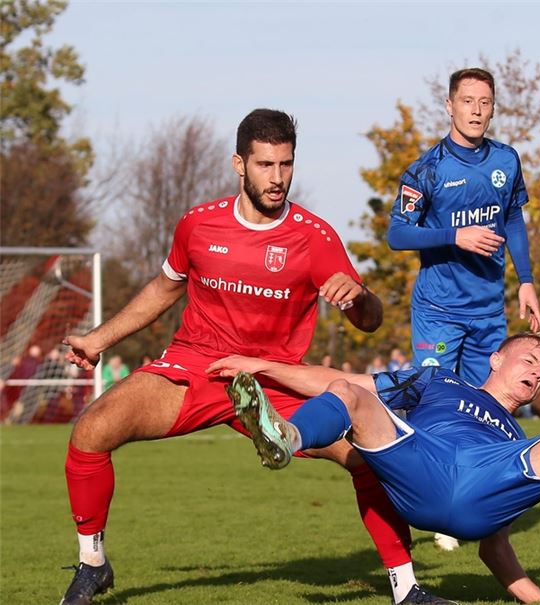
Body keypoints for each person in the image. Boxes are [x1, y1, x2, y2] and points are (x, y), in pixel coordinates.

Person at [60, 109, 449, 605]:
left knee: (367, 455)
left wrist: (360, 296)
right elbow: (165, 288)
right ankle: (93, 563)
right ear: (238, 165)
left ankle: (407, 589)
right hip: (197, 366)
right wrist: (98, 340)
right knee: (91, 431)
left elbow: (369, 318)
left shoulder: (315, 237)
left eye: (286, 165)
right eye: (265, 165)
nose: (278, 178)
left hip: (275, 379)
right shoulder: (198, 226)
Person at [210, 332, 540, 601]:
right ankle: (287, 438)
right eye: (530, 360)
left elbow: (495, 549)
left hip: (485, 477)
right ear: (496, 358)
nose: (537, 374)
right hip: (424, 464)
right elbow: (332, 381)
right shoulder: (439, 379)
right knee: (347, 389)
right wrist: (263, 367)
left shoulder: (518, 439)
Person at [387, 67, 540, 387]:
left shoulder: (506, 160)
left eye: (484, 102)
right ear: (449, 106)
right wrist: (456, 236)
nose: (476, 110)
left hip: (489, 312)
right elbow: (397, 233)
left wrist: (526, 280)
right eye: (467, 101)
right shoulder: (427, 170)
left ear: (493, 109)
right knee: (433, 397)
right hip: (439, 312)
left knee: (484, 406)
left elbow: (512, 218)